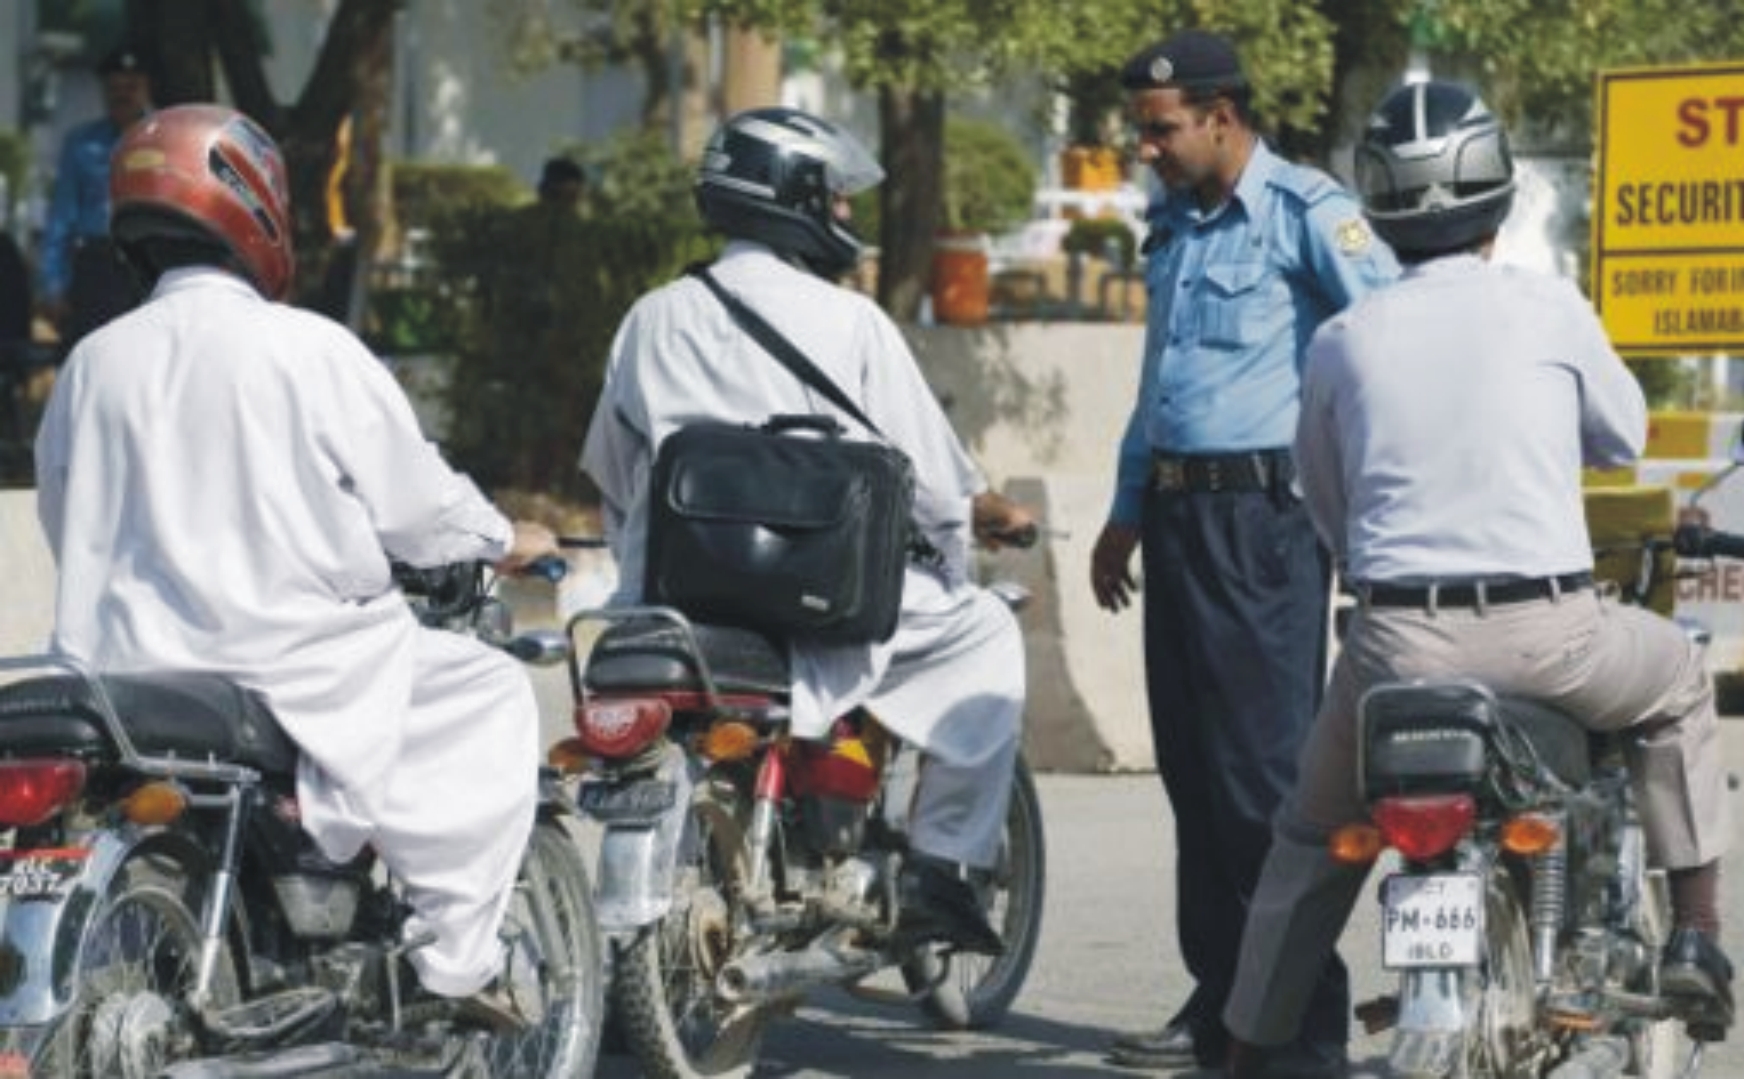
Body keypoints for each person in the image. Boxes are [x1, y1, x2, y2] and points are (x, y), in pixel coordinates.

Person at [1220, 81, 1736, 1077]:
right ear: (1498, 195)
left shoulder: (1342, 339)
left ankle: (1246, 1051)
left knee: (1308, 842)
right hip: (1552, 636)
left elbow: (1326, 502)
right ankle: (1696, 933)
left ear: (1380, 208)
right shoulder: (1550, 308)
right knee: (1679, 680)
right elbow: (1623, 436)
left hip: (1393, 648)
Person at [34, 104, 560, 1023]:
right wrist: (497, 536)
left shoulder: (90, 364)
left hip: (120, 675)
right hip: (290, 667)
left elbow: (62, 514)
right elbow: (416, 506)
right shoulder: (306, 348)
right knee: (491, 691)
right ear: (257, 208)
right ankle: (456, 963)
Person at [578, 106, 1036, 954]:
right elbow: (935, 483)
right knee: (984, 630)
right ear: (791, 196)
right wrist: (969, 534)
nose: (846, 212)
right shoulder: (851, 321)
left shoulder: (651, 316)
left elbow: (613, 468)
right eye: (836, 195)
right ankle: (941, 865)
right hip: (822, 604)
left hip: (682, 597)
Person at [1088, 29, 1399, 1075]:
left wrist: (1367, 499)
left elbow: (1391, 343)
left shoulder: (1305, 213)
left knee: (1264, 782)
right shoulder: (1175, 222)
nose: (1147, 148)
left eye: (1161, 129)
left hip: (1263, 523)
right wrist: (1126, 508)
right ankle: (1223, 998)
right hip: (1179, 517)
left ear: (1221, 117)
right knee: (1193, 777)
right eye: (1143, 130)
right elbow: (1160, 382)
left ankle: (1303, 1020)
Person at [37, 42, 151, 350]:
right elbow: (61, 218)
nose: (122, 96)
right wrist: (53, 284)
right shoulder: (81, 143)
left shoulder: (162, 138)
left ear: (146, 88)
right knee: (89, 350)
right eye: (114, 88)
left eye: (131, 87)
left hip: (147, 261)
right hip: (97, 264)